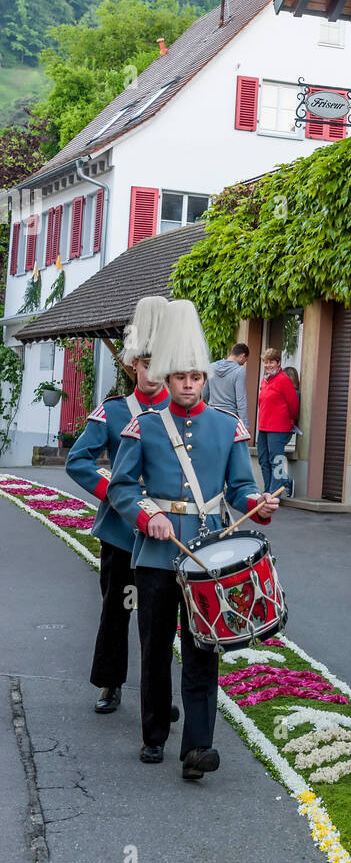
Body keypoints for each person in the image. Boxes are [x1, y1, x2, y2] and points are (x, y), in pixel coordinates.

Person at [109, 299, 279, 779]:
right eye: (180, 376)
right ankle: (155, 732)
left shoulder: (227, 427)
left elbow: (242, 487)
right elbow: (122, 486)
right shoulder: (142, 425)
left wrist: (257, 504)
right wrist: (147, 517)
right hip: (158, 555)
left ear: (205, 378)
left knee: (204, 650)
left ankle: (197, 748)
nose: (188, 384)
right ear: (165, 377)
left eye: (196, 377)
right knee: (156, 647)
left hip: (207, 555)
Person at [67, 297, 172, 716]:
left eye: (157, 364)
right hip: (123, 534)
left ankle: (157, 697)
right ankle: (110, 682)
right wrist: (114, 492)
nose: (151, 372)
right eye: (144, 364)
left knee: (160, 620)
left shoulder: (179, 412)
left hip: (167, 534)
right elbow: (78, 461)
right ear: (133, 366)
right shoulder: (114, 412)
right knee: (117, 611)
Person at [257, 348, 299, 495]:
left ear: (278, 362)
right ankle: (271, 489)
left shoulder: (283, 380)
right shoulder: (265, 379)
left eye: (271, 362)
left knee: (277, 461)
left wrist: (289, 422)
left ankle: (275, 494)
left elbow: (293, 405)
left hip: (279, 428)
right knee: (263, 459)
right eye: (265, 362)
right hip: (263, 426)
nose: (268, 365)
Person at [203, 343, 249, 427]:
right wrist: (245, 424)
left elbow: (204, 393)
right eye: (245, 361)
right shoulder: (239, 371)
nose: (243, 364)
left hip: (212, 414)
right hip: (230, 417)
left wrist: (214, 402)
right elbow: (241, 400)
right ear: (242, 356)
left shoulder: (211, 367)